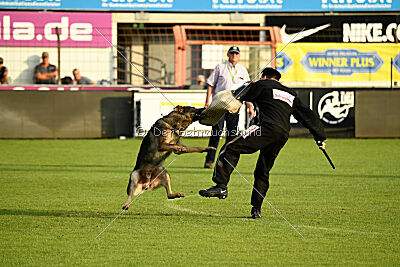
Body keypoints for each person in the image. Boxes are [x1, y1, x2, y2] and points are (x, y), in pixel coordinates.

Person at [199, 68, 327, 219]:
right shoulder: (291, 94)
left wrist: (247, 86)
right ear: (278, 79)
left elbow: (238, 95)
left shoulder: (263, 84)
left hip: (265, 128)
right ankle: (256, 209)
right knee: (263, 170)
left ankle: (221, 185)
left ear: (265, 76)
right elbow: (308, 115)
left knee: (231, 147)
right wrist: (320, 137)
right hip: (282, 134)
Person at [204, 46, 254, 169]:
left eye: (236, 53)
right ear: (228, 54)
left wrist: (250, 105)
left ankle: (227, 159)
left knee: (232, 134)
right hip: (219, 105)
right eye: (232, 53)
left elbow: (247, 89)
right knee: (216, 133)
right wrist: (207, 102)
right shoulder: (220, 67)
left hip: (234, 106)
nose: (234, 55)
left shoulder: (242, 70)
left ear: (239, 55)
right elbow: (210, 84)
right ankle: (209, 160)